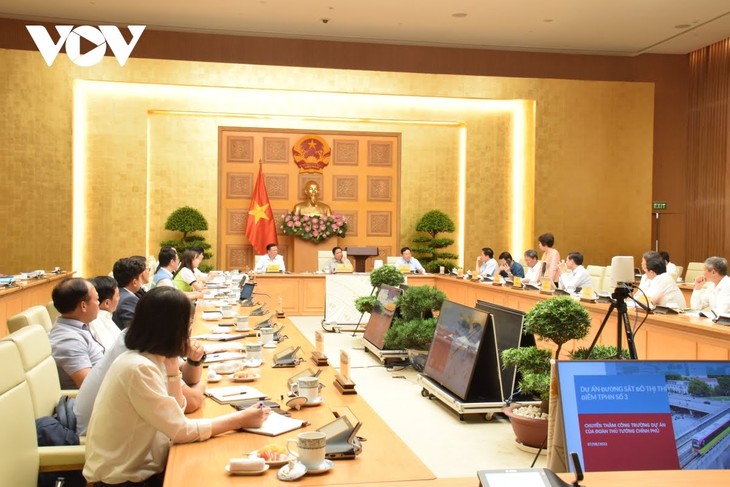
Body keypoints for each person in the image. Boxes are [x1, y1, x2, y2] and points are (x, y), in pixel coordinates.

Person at [83, 287, 270, 486]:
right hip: (123, 480)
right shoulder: (139, 368)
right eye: (188, 324)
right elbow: (181, 430)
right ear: (173, 329)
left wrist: (173, 371)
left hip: (137, 470)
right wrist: (240, 419)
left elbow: (177, 411)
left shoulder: (147, 358)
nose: (189, 331)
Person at [74, 326, 206, 436]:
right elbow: (190, 403)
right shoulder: (141, 360)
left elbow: (186, 377)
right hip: (108, 442)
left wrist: (194, 359)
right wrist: (202, 385)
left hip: (126, 436)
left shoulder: (142, 337)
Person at [48, 278, 104, 389]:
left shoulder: (81, 325)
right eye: (97, 299)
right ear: (83, 306)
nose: (99, 303)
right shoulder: (69, 341)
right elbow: (88, 388)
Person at [112, 257, 148, 330]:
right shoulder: (129, 299)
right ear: (134, 282)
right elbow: (134, 330)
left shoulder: (119, 294)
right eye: (141, 277)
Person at [88, 276, 121, 351]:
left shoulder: (105, 316)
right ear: (107, 303)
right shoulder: (95, 321)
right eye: (118, 295)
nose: (119, 298)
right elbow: (110, 351)